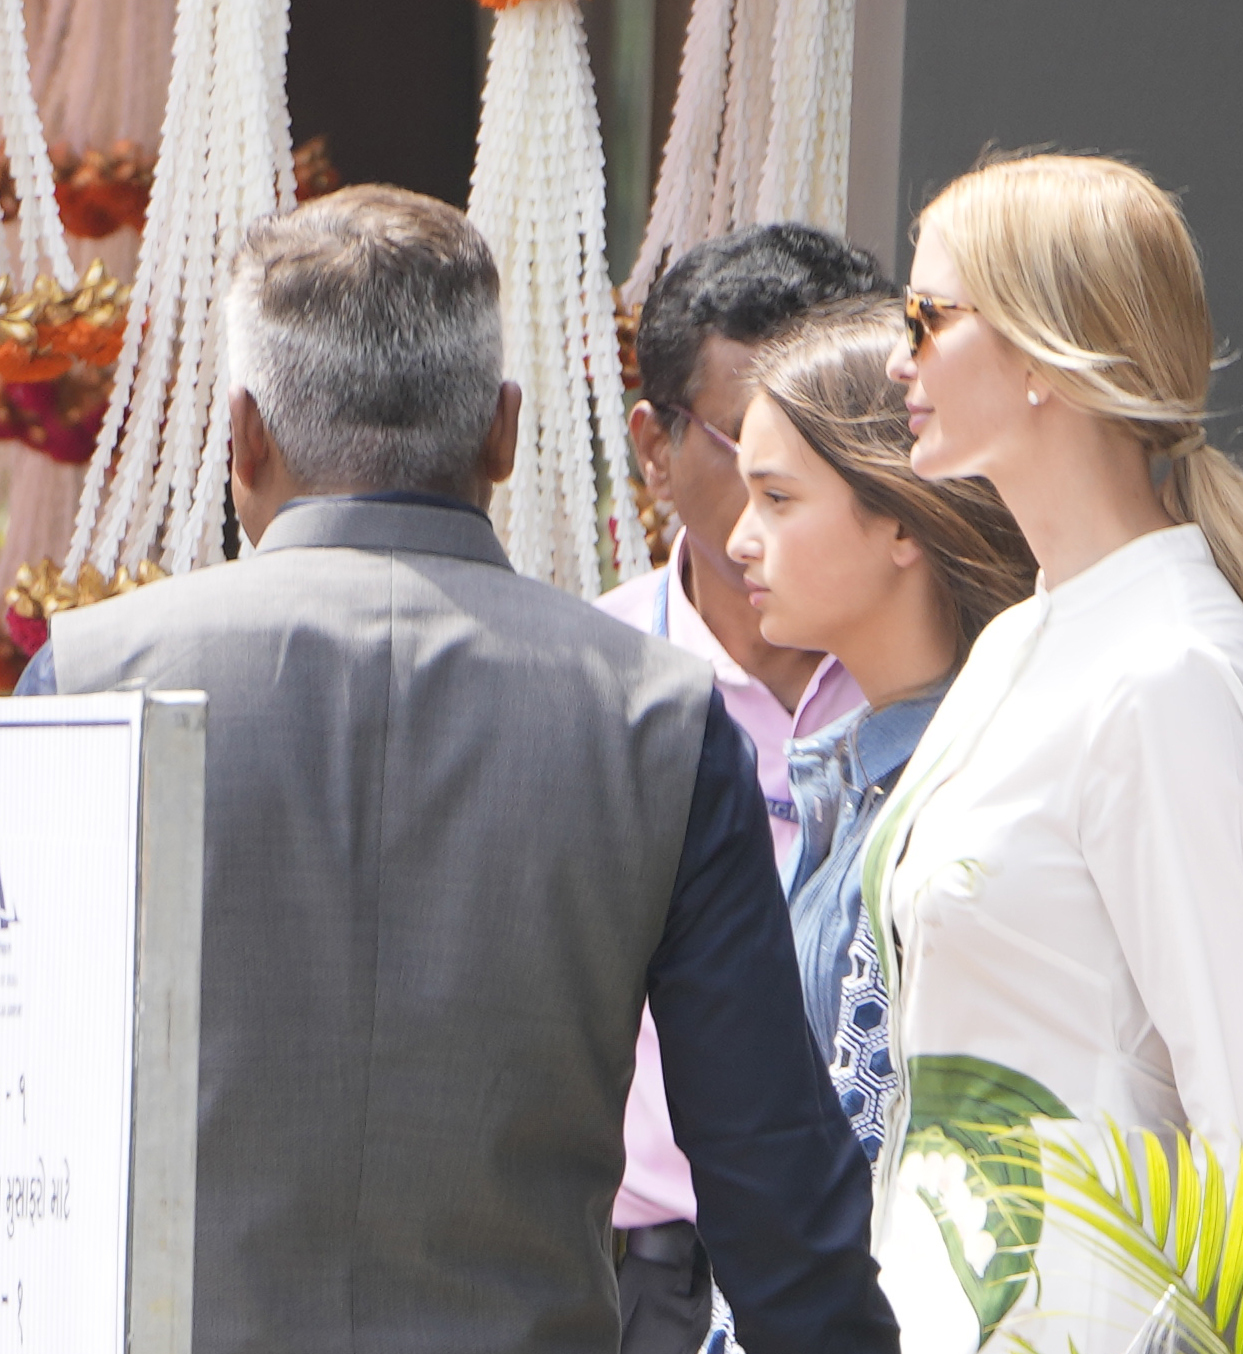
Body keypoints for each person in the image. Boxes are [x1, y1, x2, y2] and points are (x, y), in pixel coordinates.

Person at [21, 186, 898, 1354]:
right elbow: (769, 1182)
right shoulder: (656, 720)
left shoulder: (89, 680)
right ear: (503, 431)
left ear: (243, 434)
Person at [868, 152, 1243, 1354]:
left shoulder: (1165, 667)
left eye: (927, 314)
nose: (893, 354)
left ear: (1040, 353)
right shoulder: (1028, 634)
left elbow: (1241, 1105)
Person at [701, 297, 1035, 1353]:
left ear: (901, 518)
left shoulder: (955, 795)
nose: (737, 537)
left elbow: (859, 1161)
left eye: (777, 497)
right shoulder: (867, 774)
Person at [596, 223, 889, 1352]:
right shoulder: (595, 688)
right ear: (654, 447)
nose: (783, 491)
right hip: (642, 1281)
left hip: (872, 1269)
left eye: (831, 448)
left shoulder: (944, 694)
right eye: (746, 447)